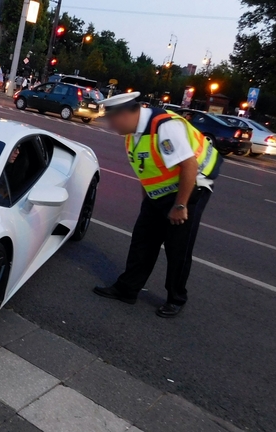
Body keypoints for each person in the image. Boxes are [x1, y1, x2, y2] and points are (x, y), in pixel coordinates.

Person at [93, 92, 221, 318]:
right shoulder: (133, 135)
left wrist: (180, 206)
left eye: (112, 120)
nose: (111, 126)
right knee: (143, 239)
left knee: (177, 247)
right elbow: (148, 172)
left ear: (125, 114)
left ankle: (176, 298)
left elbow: (189, 166)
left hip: (191, 188)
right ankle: (128, 289)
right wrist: (149, 206)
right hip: (159, 195)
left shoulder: (164, 127)